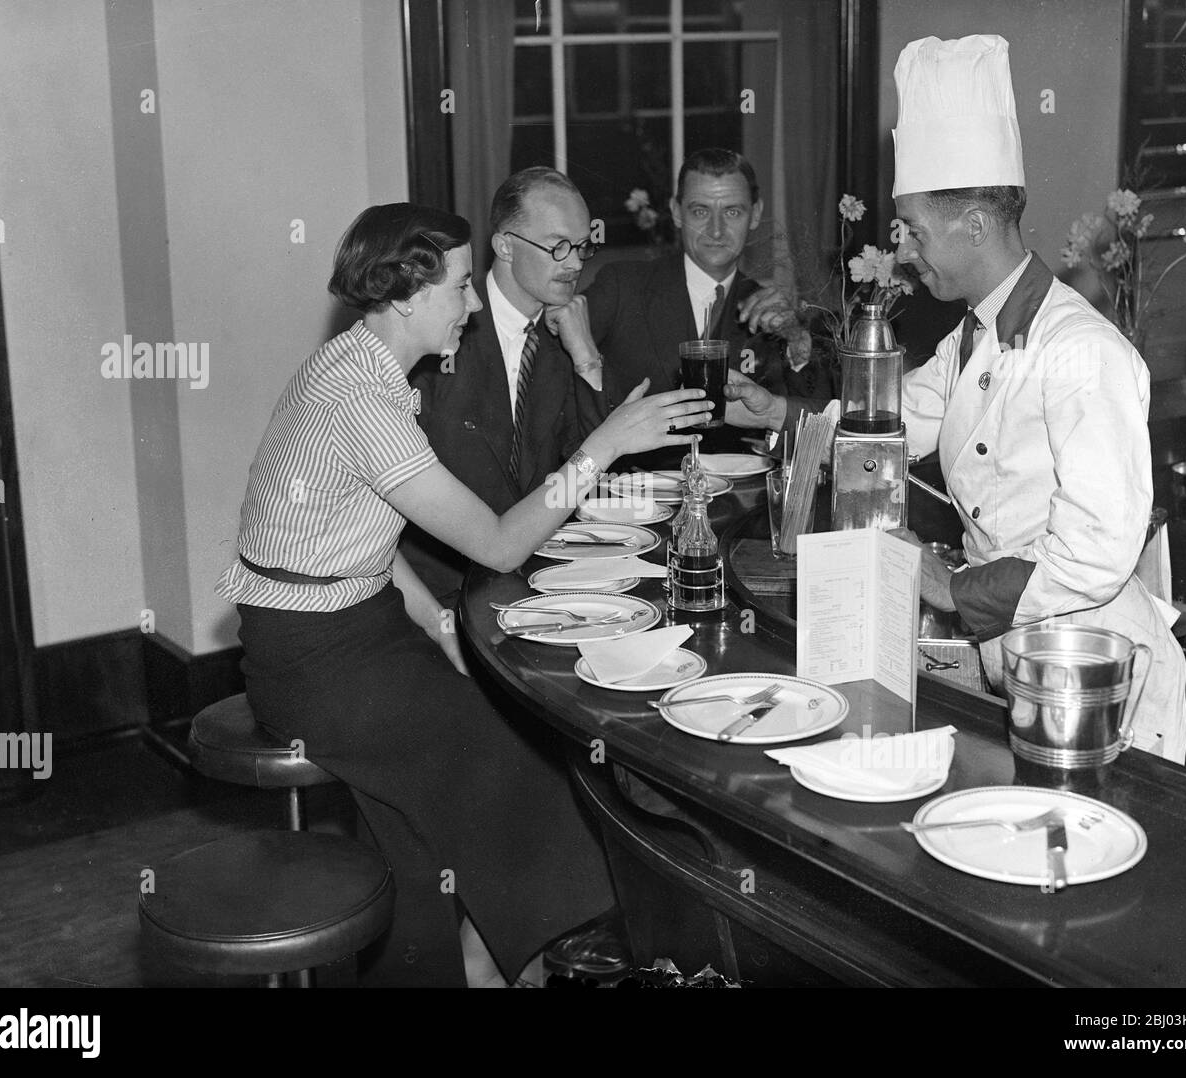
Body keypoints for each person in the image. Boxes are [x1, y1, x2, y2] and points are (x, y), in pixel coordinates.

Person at [215, 203, 711, 986]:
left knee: (420, 830)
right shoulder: (362, 401)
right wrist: (605, 442)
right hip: (313, 659)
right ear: (407, 296)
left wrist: (442, 624)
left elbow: (363, 541)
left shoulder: (360, 364)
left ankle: (470, 965)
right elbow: (501, 543)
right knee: (529, 759)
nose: (475, 304)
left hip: (353, 625)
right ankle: (518, 959)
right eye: (458, 288)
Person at [725, 35, 1186, 764]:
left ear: (975, 223)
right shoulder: (972, 335)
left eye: (914, 229)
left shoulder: (1080, 350)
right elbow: (893, 424)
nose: (903, 248)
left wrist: (950, 584)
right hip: (1022, 663)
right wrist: (782, 415)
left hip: (1099, 683)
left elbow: (1097, 552)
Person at [404, 168, 607, 601]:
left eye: (581, 246)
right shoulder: (438, 330)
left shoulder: (565, 334)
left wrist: (587, 358)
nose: (573, 263)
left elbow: (590, 471)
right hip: (439, 589)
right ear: (504, 245)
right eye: (558, 247)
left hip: (539, 580)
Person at [584, 147, 830, 465]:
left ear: (756, 213)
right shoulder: (622, 285)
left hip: (740, 505)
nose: (715, 230)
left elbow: (816, 427)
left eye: (732, 212)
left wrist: (797, 341)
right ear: (676, 211)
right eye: (700, 211)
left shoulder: (772, 312)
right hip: (634, 501)